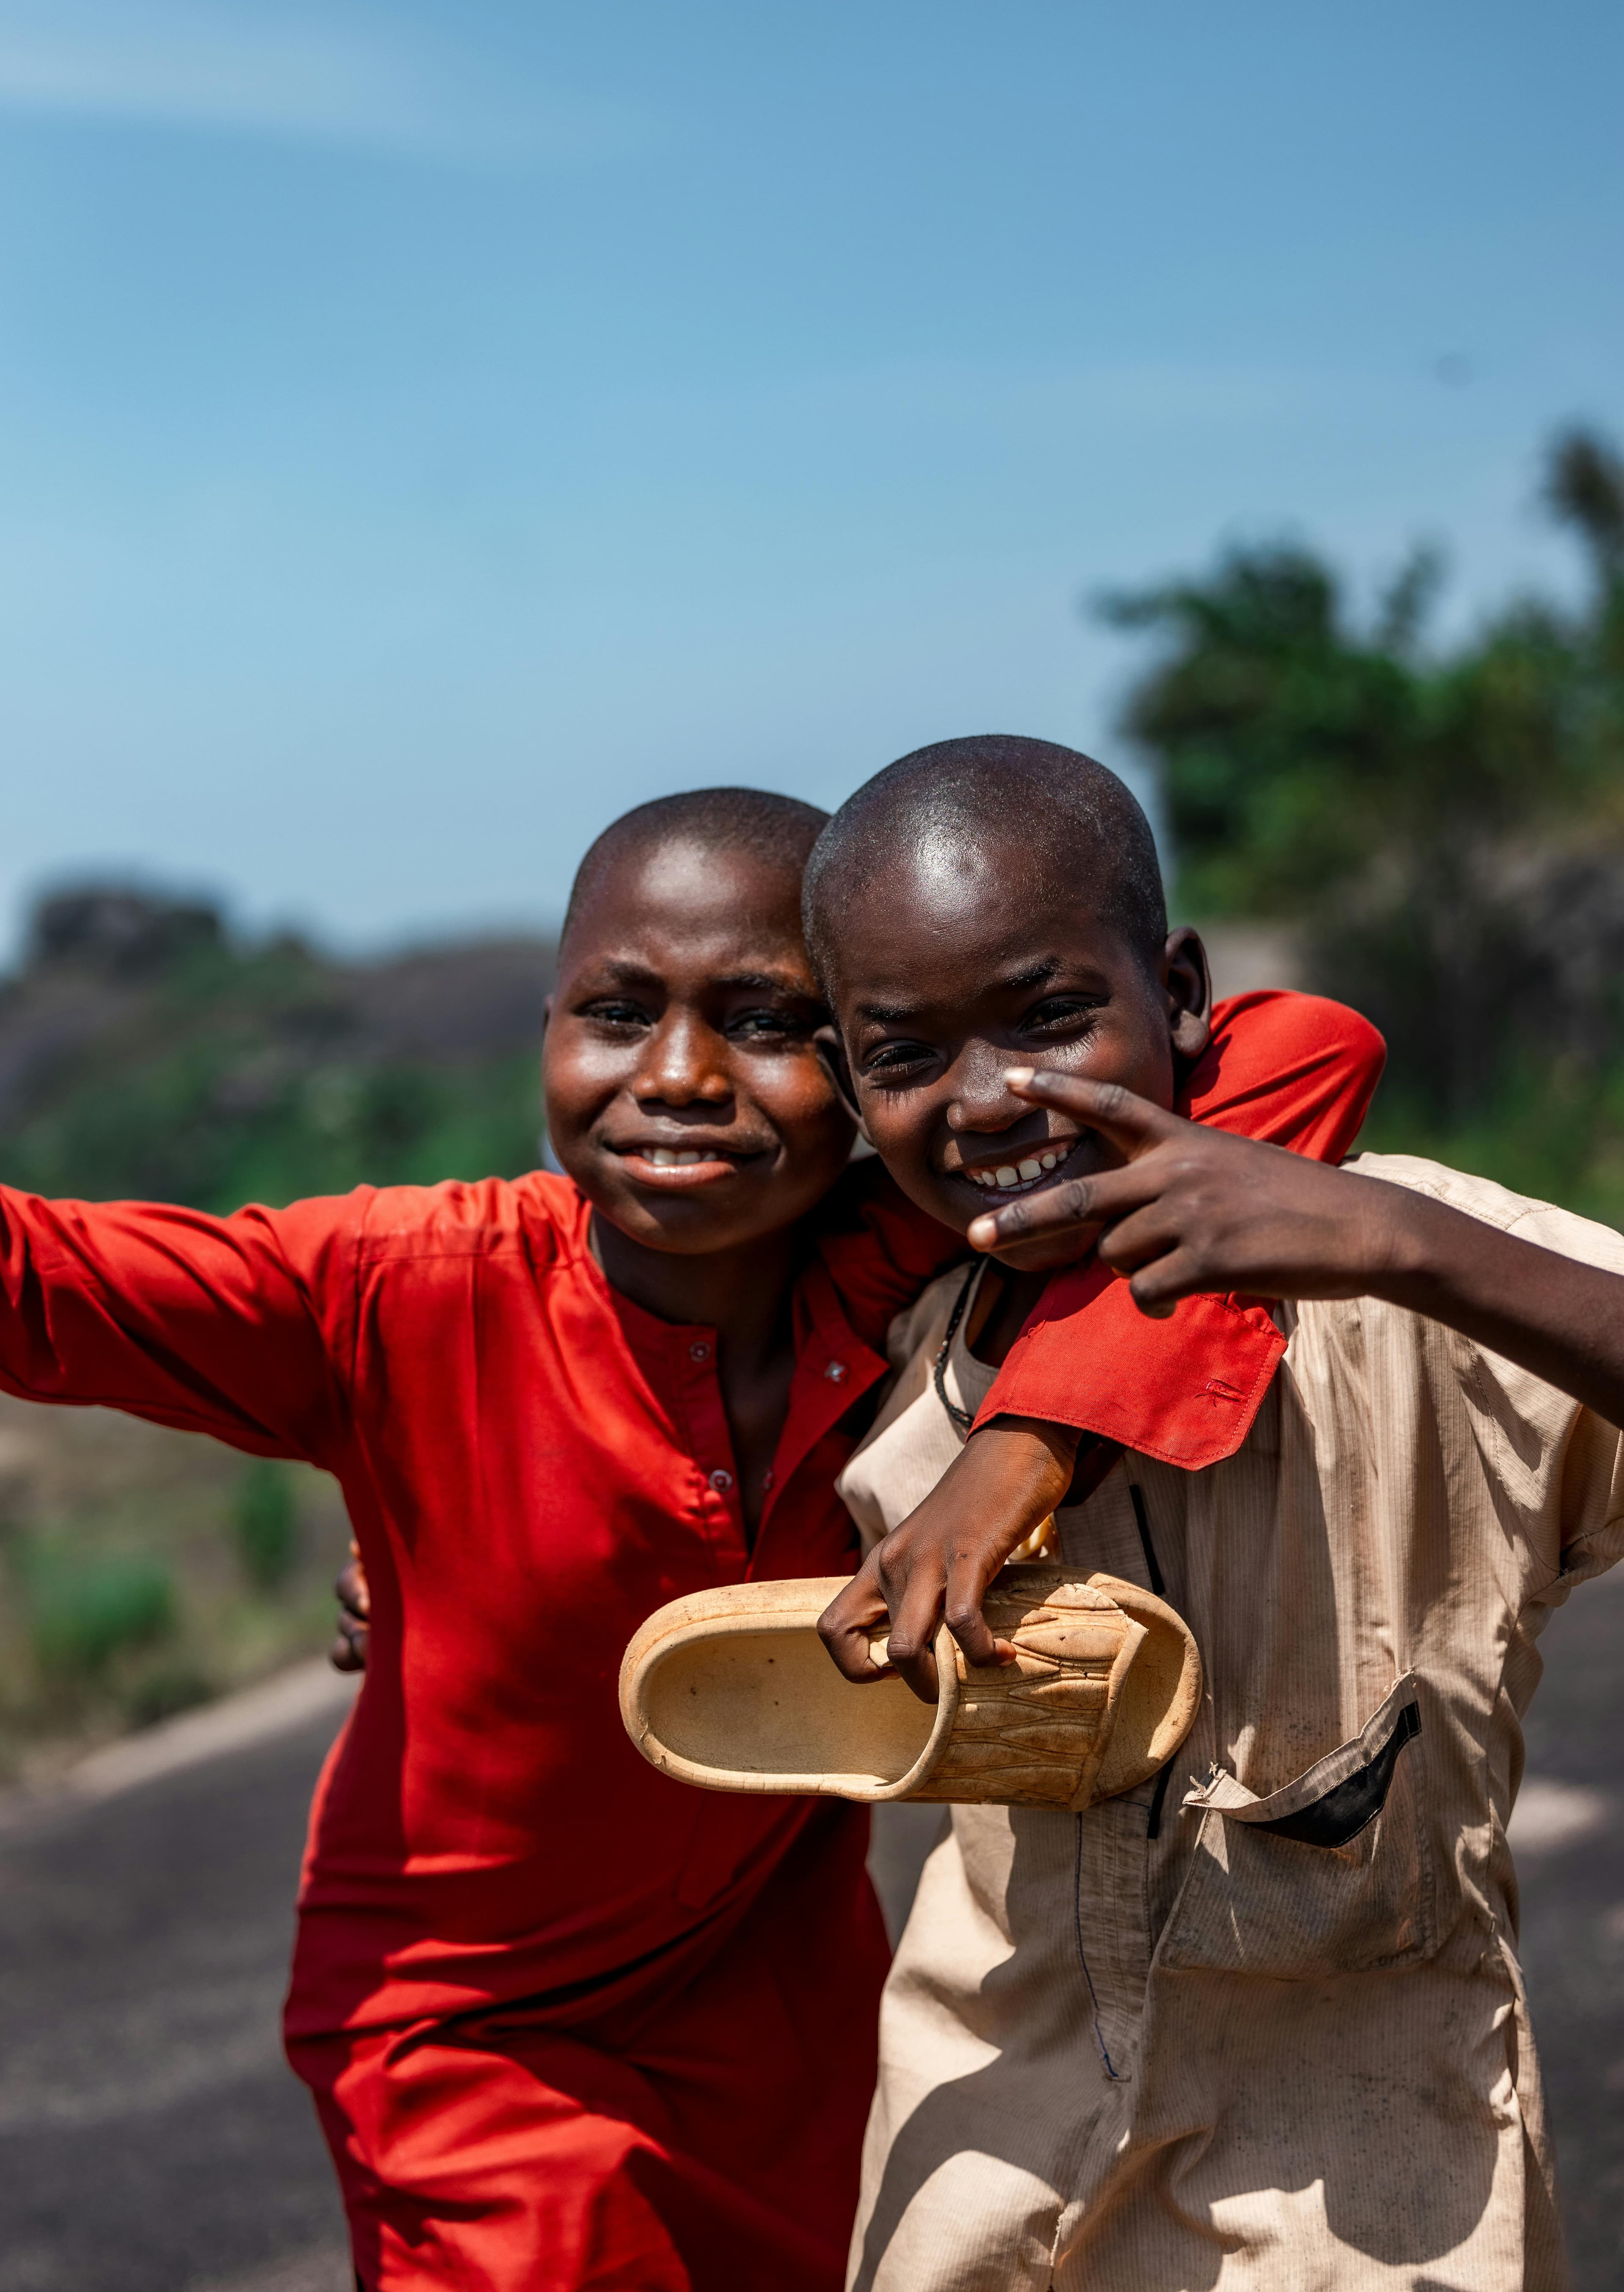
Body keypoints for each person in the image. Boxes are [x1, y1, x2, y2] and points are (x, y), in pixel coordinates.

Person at [0, 778, 1376, 2291]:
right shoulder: (399, 1292)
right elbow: (38, 1280)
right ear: (544, 1031)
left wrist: (1025, 1446)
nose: (677, 1077)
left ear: (866, 1059)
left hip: (784, 2001)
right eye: (615, 1012)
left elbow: (1302, 1047)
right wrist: (410, 1543)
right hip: (466, 2036)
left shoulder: (903, 1254)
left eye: (767, 1022)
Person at [808, 735, 1624, 2292]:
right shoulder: (899, 1347)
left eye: (1052, 1018)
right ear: (853, 1084)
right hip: (981, 2175)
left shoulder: (1404, 1282)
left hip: (1375, 2197)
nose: (992, 1102)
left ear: (1179, 993)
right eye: (907, 1056)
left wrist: (1409, 1242)